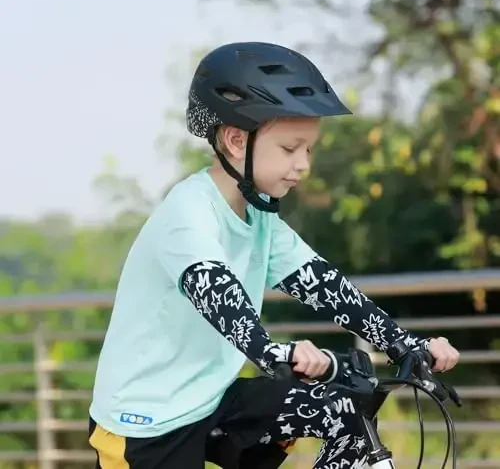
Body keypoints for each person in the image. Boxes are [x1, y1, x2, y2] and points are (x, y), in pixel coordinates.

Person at [88, 42, 460, 469]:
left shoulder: (259, 215)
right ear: (235, 140)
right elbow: (219, 298)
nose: (303, 165)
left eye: (309, 150)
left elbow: (325, 286)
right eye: (289, 149)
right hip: (145, 423)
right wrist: (274, 353)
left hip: (212, 399)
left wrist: (402, 342)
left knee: (346, 412)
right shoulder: (187, 213)